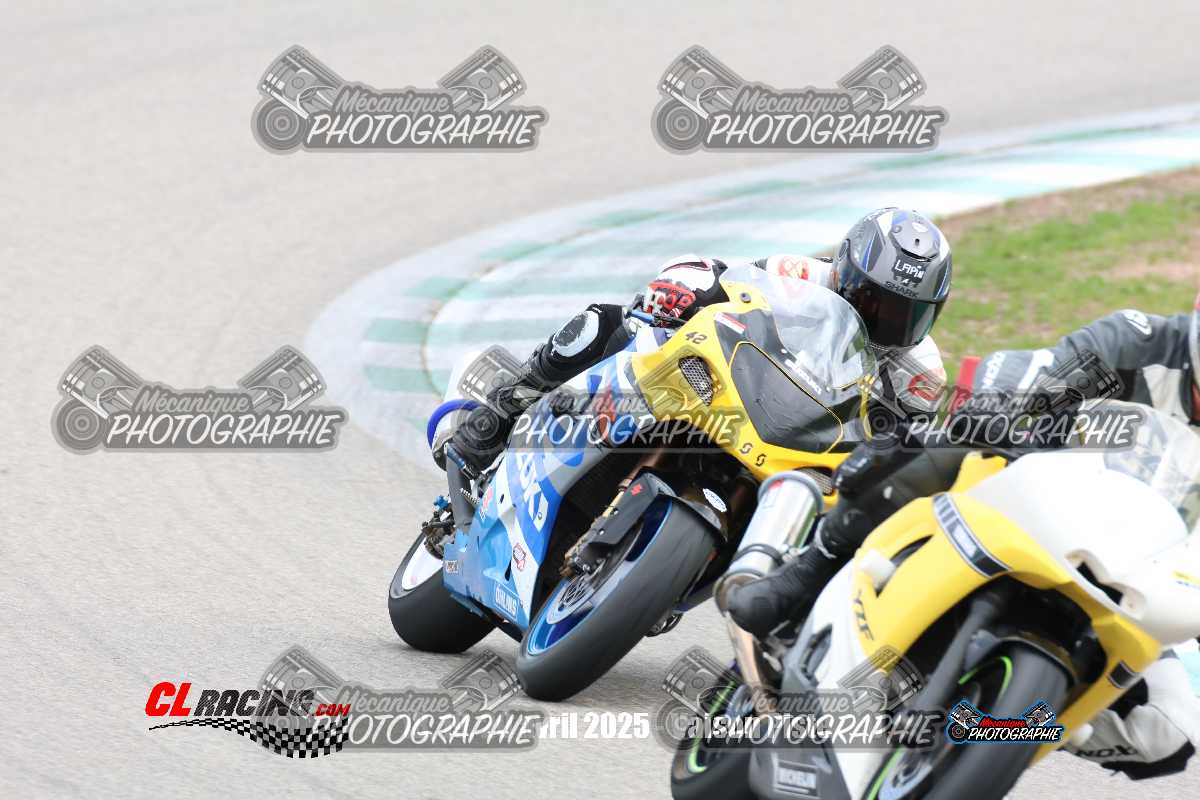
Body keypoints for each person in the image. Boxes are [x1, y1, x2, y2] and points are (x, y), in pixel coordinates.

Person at [727, 292, 1200, 780]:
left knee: (1169, 733)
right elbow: (1041, 368)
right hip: (1036, 493)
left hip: (1135, 580)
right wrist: (999, 398)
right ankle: (805, 576)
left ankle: (996, 729)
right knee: (936, 444)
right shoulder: (1142, 340)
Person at [442, 207, 953, 474]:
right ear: (844, 269)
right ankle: (501, 413)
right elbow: (722, 278)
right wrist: (679, 290)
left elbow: (905, 457)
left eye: (905, 314)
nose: (881, 319)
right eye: (872, 298)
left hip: (795, 451)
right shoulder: (801, 276)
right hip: (729, 391)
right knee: (606, 322)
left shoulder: (922, 377)